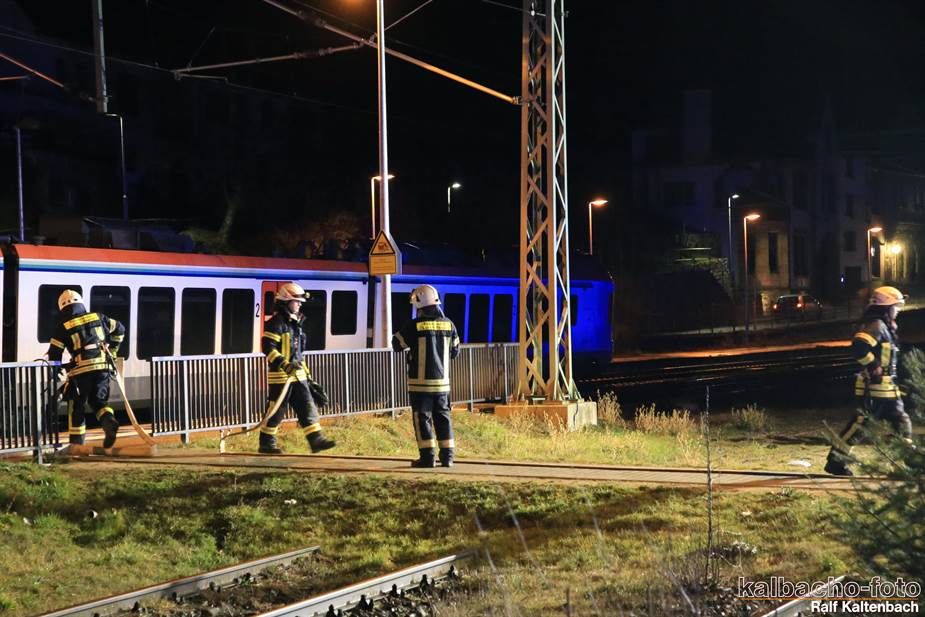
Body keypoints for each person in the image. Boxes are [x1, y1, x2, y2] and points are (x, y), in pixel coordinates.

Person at [824, 286, 914, 476]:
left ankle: (909, 462)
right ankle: (836, 461)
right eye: (895, 306)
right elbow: (859, 346)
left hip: (887, 389)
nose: (897, 310)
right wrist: (873, 365)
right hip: (873, 389)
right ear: (885, 307)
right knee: (860, 425)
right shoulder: (877, 326)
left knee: (902, 423)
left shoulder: (885, 327)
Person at [260, 282, 336, 454]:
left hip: (298, 376)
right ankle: (266, 443)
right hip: (281, 377)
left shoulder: (297, 324)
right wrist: (284, 365)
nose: (300, 305)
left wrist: (309, 378)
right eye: (297, 301)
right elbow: (268, 348)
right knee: (276, 411)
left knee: (307, 405)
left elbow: (299, 355)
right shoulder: (276, 323)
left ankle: (316, 440)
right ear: (286, 301)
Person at [392, 284, 461, 468]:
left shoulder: (414, 325)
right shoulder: (449, 324)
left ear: (419, 304)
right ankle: (448, 457)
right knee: (443, 418)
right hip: (442, 384)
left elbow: (397, 344)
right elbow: (455, 352)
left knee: (422, 419)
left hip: (420, 384)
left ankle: (427, 458)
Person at [46, 289, 125, 448]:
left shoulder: (63, 327)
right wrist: (113, 350)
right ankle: (109, 421)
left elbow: (55, 354)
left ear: (62, 308)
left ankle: (77, 444)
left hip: (80, 372)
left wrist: (55, 372)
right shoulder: (98, 317)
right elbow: (120, 329)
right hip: (102, 368)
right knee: (98, 401)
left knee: (77, 406)